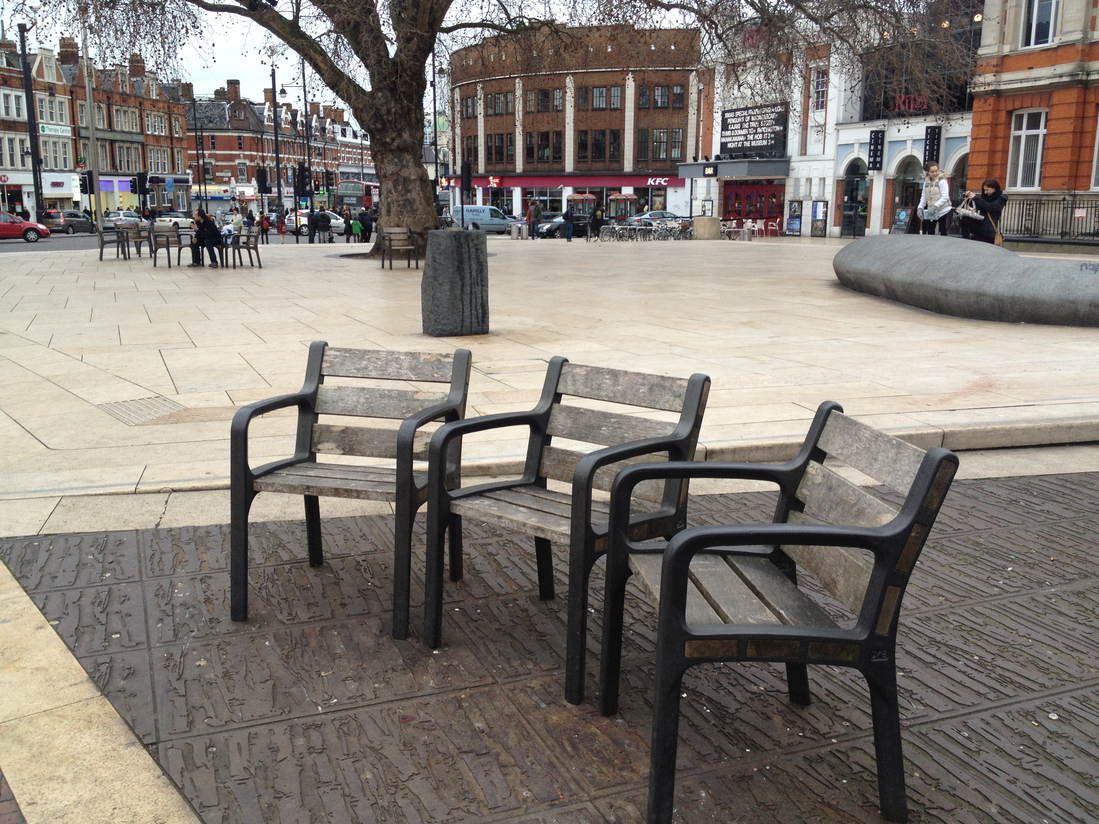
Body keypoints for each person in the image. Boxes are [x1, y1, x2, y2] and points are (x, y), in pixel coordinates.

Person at [963, 179, 1007, 245]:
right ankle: (966, 240)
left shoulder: (1002, 198)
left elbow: (991, 207)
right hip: (980, 226)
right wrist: (969, 199)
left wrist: (976, 198)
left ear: (994, 188)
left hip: (989, 230)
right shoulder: (985, 197)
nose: (985, 192)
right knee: (965, 219)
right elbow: (979, 206)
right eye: (984, 190)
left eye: (987, 190)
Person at [917, 162, 951, 236]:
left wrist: (935, 206)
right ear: (928, 172)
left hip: (943, 210)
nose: (935, 173)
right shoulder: (926, 182)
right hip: (931, 211)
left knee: (942, 229)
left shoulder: (942, 181)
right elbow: (924, 196)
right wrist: (920, 208)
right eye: (932, 172)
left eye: (936, 171)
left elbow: (945, 196)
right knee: (930, 229)